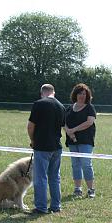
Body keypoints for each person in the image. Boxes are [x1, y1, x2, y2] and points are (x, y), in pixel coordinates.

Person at [27, 84, 66, 214]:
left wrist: (33, 140)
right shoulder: (61, 106)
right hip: (57, 146)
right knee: (55, 177)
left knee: (40, 178)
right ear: (53, 93)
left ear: (42, 93)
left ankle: (41, 207)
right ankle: (56, 206)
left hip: (42, 147)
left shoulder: (39, 104)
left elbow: (30, 126)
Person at [65, 83, 97, 198]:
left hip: (86, 140)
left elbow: (89, 122)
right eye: (80, 93)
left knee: (86, 164)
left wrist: (74, 129)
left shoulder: (90, 108)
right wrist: (68, 131)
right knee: (75, 164)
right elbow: (64, 122)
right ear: (75, 94)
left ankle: (90, 189)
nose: (82, 96)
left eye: (84, 94)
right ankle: (77, 189)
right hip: (72, 141)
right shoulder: (69, 108)